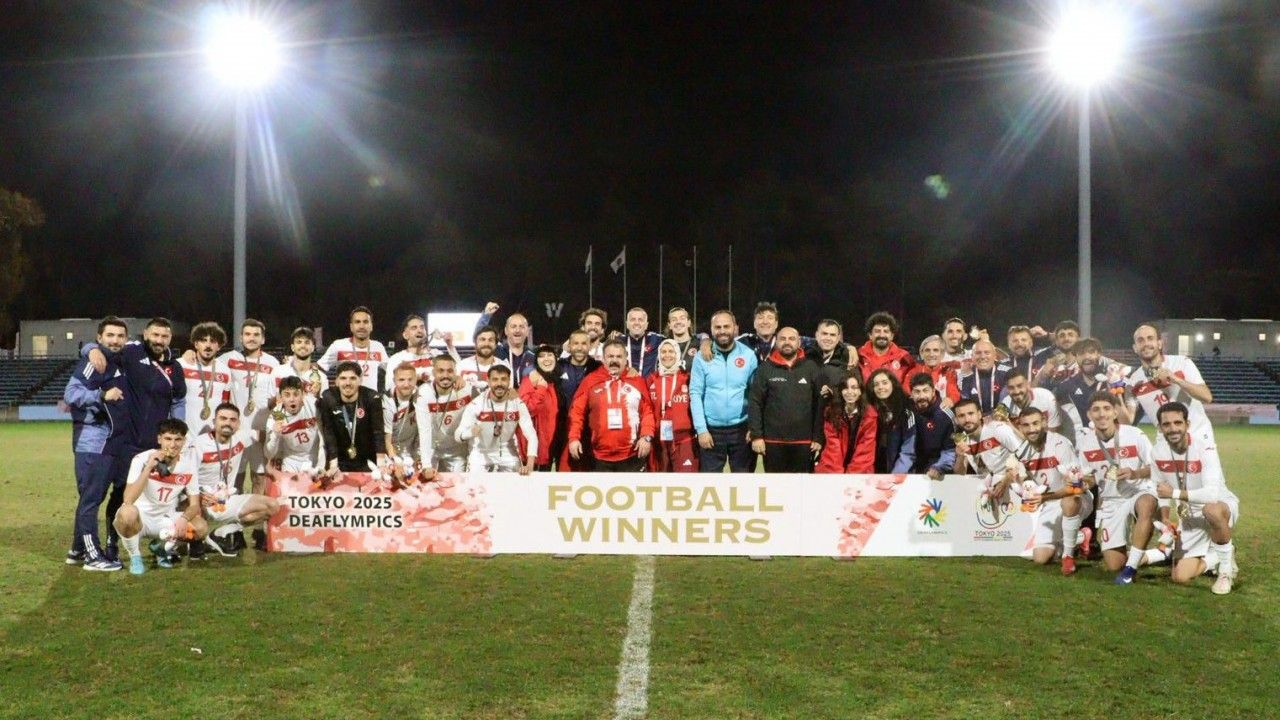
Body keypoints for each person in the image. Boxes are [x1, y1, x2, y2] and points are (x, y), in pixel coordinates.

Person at [83, 316, 187, 560]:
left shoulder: (175, 367)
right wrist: (89, 349)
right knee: (121, 493)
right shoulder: (132, 352)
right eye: (155, 335)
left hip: (156, 445)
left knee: (161, 494)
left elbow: (178, 401)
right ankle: (112, 542)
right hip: (128, 442)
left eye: (164, 336)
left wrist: (180, 434)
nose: (159, 340)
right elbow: (106, 348)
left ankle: (162, 544)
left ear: (170, 338)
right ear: (146, 334)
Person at [63, 316, 130, 571]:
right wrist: (101, 395)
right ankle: (93, 556)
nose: (115, 340)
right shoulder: (94, 363)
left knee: (93, 497)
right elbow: (71, 394)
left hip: (111, 440)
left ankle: (77, 550)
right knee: (91, 499)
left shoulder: (119, 360)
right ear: (99, 338)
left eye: (120, 336)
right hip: (92, 440)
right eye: (109, 335)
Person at [1151, 401, 1239, 594]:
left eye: (1178, 422)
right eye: (1166, 424)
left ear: (1187, 424)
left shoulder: (1204, 448)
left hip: (1219, 507)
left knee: (1211, 510)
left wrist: (1174, 494)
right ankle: (1219, 555)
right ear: (1160, 428)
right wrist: (1165, 517)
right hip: (1190, 516)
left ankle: (1225, 572)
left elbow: (1211, 495)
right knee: (1180, 577)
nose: (1173, 428)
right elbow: (1160, 489)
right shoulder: (1157, 452)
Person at [1076, 392, 1159, 584]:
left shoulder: (1134, 434)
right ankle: (1161, 553)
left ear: (1115, 412)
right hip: (1112, 501)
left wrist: (1135, 473)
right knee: (1114, 564)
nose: (1101, 414)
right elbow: (1090, 478)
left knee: (1146, 503)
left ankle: (1131, 569)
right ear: (1089, 415)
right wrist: (1084, 482)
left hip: (1139, 491)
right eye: (1096, 410)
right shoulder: (1086, 443)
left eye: (1106, 408)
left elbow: (1156, 467)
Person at [113, 419, 208, 575]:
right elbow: (128, 499)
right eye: (168, 439)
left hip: (166, 519)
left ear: (184, 441)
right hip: (140, 519)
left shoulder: (189, 466)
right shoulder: (141, 459)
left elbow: (194, 505)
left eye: (178, 439)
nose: (173, 445)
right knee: (127, 513)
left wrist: (184, 519)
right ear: (159, 439)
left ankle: (160, 547)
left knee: (200, 527)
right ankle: (135, 556)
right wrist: (148, 468)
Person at [1005, 408, 1093, 575]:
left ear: (1044, 422)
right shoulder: (1021, 452)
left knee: (1069, 502)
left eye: (1035, 423)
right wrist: (1018, 480)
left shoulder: (1060, 444)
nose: (1032, 429)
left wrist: (1044, 497)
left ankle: (1068, 557)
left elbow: (1076, 486)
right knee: (1040, 558)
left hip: (1076, 498)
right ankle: (1079, 537)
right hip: (1050, 502)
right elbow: (1030, 483)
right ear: (1020, 427)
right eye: (1026, 425)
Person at [217, 319, 279, 550]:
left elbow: (276, 398)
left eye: (256, 334)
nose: (251, 338)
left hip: (260, 431)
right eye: (247, 334)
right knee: (235, 480)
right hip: (236, 431)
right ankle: (234, 530)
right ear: (241, 337)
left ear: (263, 338)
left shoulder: (272, 363)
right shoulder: (228, 359)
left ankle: (259, 530)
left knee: (260, 478)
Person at [193, 404, 278, 557]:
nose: (228, 423)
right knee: (195, 531)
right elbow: (185, 477)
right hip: (201, 502)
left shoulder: (241, 437)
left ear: (238, 424)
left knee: (272, 506)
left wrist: (278, 431)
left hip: (226, 500)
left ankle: (220, 533)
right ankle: (192, 541)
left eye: (233, 420)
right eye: (223, 418)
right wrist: (198, 496)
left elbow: (265, 435)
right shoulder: (198, 445)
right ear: (214, 422)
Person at [567, 340, 655, 471]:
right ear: (603, 358)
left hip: (633, 454)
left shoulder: (637, 382)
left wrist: (646, 437)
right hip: (598, 456)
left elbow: (647, 412)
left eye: (619, 356)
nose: (614, 360)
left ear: (626, 359)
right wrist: (574, 438)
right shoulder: (590, 381)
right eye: (610, 356)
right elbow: (576, 413)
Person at [690, 310, 759, 473]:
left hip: (742, 429)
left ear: (735, 328)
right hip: (711, 430)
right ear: (711, 329)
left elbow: (755, 394)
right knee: (710, 482)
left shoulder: (748, 355)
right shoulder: (701, 357)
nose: (722, 331)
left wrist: (754, 426)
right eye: (718, 327)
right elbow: (695, 394)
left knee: (743, 481)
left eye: (726, 326)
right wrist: (701, 429)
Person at [747, 327, 823, 473]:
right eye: (783, 339)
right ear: (776, 342)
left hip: (804, 442)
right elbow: (755, 402)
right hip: (772, 442)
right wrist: (756, 436)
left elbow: (819, 404)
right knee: (775, 485)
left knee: (801, 485)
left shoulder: (811, 367)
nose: (787, 342)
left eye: (791, 339)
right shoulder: (765, 368)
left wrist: (818, 437)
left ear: (799, 342)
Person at [1126, 322, 1216, 443]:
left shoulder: (1182, 363)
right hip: (1165, 441)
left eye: (1150, 338)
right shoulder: (1134, 381)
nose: (1146, 343)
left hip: (1198, 436)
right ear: (1135, 348)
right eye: (1140, 340)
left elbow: (1206, 397)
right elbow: (1128, 420)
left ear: (1159, 343)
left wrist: (1175, 379)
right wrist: (1118, 395)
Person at [455, 365, 536, 474]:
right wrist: (470, 433)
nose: (499, 383)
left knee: (518, 482)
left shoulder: (517, 404)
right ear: (488, 381)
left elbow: (531, 435)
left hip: (508, 453)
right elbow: (458, 435)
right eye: (495, 379)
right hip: (480, 454)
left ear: (509, 381)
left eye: (503, 379)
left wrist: (529, 465)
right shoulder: (477, 404)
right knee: (475, 484)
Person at [318, 361, 386, 474]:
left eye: (353, 378)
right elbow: (329, 433)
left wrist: (381, 464)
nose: (348, 383)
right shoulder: (328, 398)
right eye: (343, 378)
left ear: (360, 380)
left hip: (367, 460)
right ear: (336, 381)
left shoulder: (372, 398)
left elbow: (378, 432)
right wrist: (333, 465)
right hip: (340, 460)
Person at [415, 354, 478, 476]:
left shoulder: (467, 390)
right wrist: (426, 465)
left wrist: (510, 392)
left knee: (457, 485)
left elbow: (487, 401)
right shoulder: (424, 393)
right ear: (433, 372)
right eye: (441, 371)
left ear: (456, 373)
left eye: (450, 371)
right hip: (430, 448)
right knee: (425, 483)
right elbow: (424, 430)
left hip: (457, 451)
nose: (445, 375)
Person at [553, 329, 604, 470]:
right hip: (563, 428)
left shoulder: (599, 367)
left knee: (589, 470)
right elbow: (538, 370)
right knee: (565, 470)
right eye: (576, 343)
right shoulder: (559, 366)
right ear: (569, 346)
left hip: (591, 429)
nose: (580, 348)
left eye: (584, 343)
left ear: (590, 346)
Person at [647, 339, 698, 472]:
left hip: (684, 441)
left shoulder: (687, 378)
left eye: (671, 351)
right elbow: (646, 410)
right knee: (660, 482)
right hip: (659, 442)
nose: (667, 355)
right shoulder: (651, 379)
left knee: (686, 481)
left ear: (677, 354)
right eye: (663, 352)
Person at [178, 322, 232, 437]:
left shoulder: (225, 371)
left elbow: (224, 405)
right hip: (182, 435)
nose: (208, 345)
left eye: (213, 341)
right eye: (203, 340)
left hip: (211, 436)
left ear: (219, 346)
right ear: (196, 344)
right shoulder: (181, 365)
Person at [816, 373, 877, 474]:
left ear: (860, 391)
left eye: (854, 388)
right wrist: (839, 477)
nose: (849, 392)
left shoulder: (870, 415)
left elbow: (865, 448)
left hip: (860, 469)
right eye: (845, 388)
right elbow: (833, 447)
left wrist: (850, 475)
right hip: (832, 466)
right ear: (841, 391)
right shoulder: (831, 412)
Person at [318, 306, 389, 392]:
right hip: (345, 398)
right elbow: (319, 368)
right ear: (351, 327)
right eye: (357, 322)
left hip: (370, 399)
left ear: (371, 326)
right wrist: (326, 389)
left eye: (365, 322)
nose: (361, 326)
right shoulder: (339, 346)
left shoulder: (378, 347)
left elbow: (390, 371)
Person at [264, 376, 325, 473]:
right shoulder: (275, 416)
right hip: (290, 459)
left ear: (303, 394)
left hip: (313, 456)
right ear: (280, 397)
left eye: (296, 394)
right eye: (287, 395)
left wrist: (320, 466)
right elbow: (268, 454)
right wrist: (275, 434)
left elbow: (324, 440)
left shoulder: (315, 406)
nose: (292, 399)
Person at [519, 345, 561, 471]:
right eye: (542, 356)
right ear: (536, 361)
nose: (546, 358)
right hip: (535, 449)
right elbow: (526, 411)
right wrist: (541, 389)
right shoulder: (529, 380)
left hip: (551, 444)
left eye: (550, 355)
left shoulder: (557, 382)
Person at [867, 369, 916, 474]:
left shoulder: (906, 409)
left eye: (885, 383)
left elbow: (909, 448)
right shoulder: (870, 410)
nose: (880, 387)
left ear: (893, 384)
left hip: (900, 471)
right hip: (876, 470)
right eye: (876, 384)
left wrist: (896, 474)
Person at [907, 373, 955, 479]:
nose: (921, 396)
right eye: (917, 392)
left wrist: (939, 468)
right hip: (911, 467)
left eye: (926, 391)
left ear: (933, 391)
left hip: (936, 469)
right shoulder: (906, 411)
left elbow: (950, 450)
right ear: (911, 394)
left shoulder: (945, 415)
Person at [475, 302, 536, 387]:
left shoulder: (533, 356)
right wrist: (486, 316)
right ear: (506, 331)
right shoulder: (496, 351)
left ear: (527, 332)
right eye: (513, 326)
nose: (517, 330)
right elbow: (480, 337)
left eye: (521, 327)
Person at [385, 314, 456, 386]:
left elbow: (458, 372)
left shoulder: (437, 354)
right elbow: (389, 387)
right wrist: (415, 378)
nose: (419, 330)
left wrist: (450, 345)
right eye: (414, 328)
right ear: (405, 335)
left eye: (422, 327)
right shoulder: (396, 359)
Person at [383, 363, 421, 485]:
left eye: (410, 379)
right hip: (391, 450)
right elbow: (387, 439)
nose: (406, 384)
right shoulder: (387, 402)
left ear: (416, 379)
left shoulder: (421, 395)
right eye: (401, 380)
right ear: (394, 380)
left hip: (413, 448)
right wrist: (395, 461)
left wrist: (418, 456)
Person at [858, 311, 916, 387]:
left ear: (892, 336)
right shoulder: (859, 356)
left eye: (886, 331)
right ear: (870, 335)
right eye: (877, 331)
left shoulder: (904, 358)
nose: (882, 335)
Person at [272, 326, 329, 399]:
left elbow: (325, 405)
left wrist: (317, 395)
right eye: (299, 342)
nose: (303, 345)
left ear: (313, 348)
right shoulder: (277, 372)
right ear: (292, 347)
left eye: (307, 342)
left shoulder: (321, 378)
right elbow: (269, 402)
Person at [958, 340, 1007, 417]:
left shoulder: (1006, 373)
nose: (983, 357)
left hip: (1002, 418)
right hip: (975, 420)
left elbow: (1007, 403)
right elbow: (965, 404)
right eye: (978, 353)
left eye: (987, 353)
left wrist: (995, 417)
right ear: (972, 356)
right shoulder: (965, 376)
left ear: (995, 356)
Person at [457, 325, 510, 393]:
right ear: (475, 342)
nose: (486, 344)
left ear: (496, 344)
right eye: (482, 339)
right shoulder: (461, 365)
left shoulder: (505, 366)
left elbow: (509, 393)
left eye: (490, 340)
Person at [808, 319, 855, 393]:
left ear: (838, 338)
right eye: (824, 334)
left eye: (832, 335)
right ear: (816, 335)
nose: (828, 338)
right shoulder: (805, 357)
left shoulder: (849, 360)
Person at [917, 335, 961, 409]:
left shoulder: (949, 371)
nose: (931, 354)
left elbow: (953, 392)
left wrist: (950, 399)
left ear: (942, 354)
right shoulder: (915, 371)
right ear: (922, 353)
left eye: (935, 350)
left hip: (941, 409)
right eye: (927, 350)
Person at [621, 307, 666, 376]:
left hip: (649, 382)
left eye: (640, 320)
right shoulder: (618, 341)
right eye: (633, 319)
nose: (636, 323)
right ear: (627, 324)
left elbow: (676, 343)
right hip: (626, 382)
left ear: (646, 325)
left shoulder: (656, 339)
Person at [663, 306, 702, 373]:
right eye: (674, 319)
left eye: (682, 318)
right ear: (669, 325)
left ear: (689, 323)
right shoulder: (664, 346)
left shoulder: (700, 345)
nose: (678, 322)